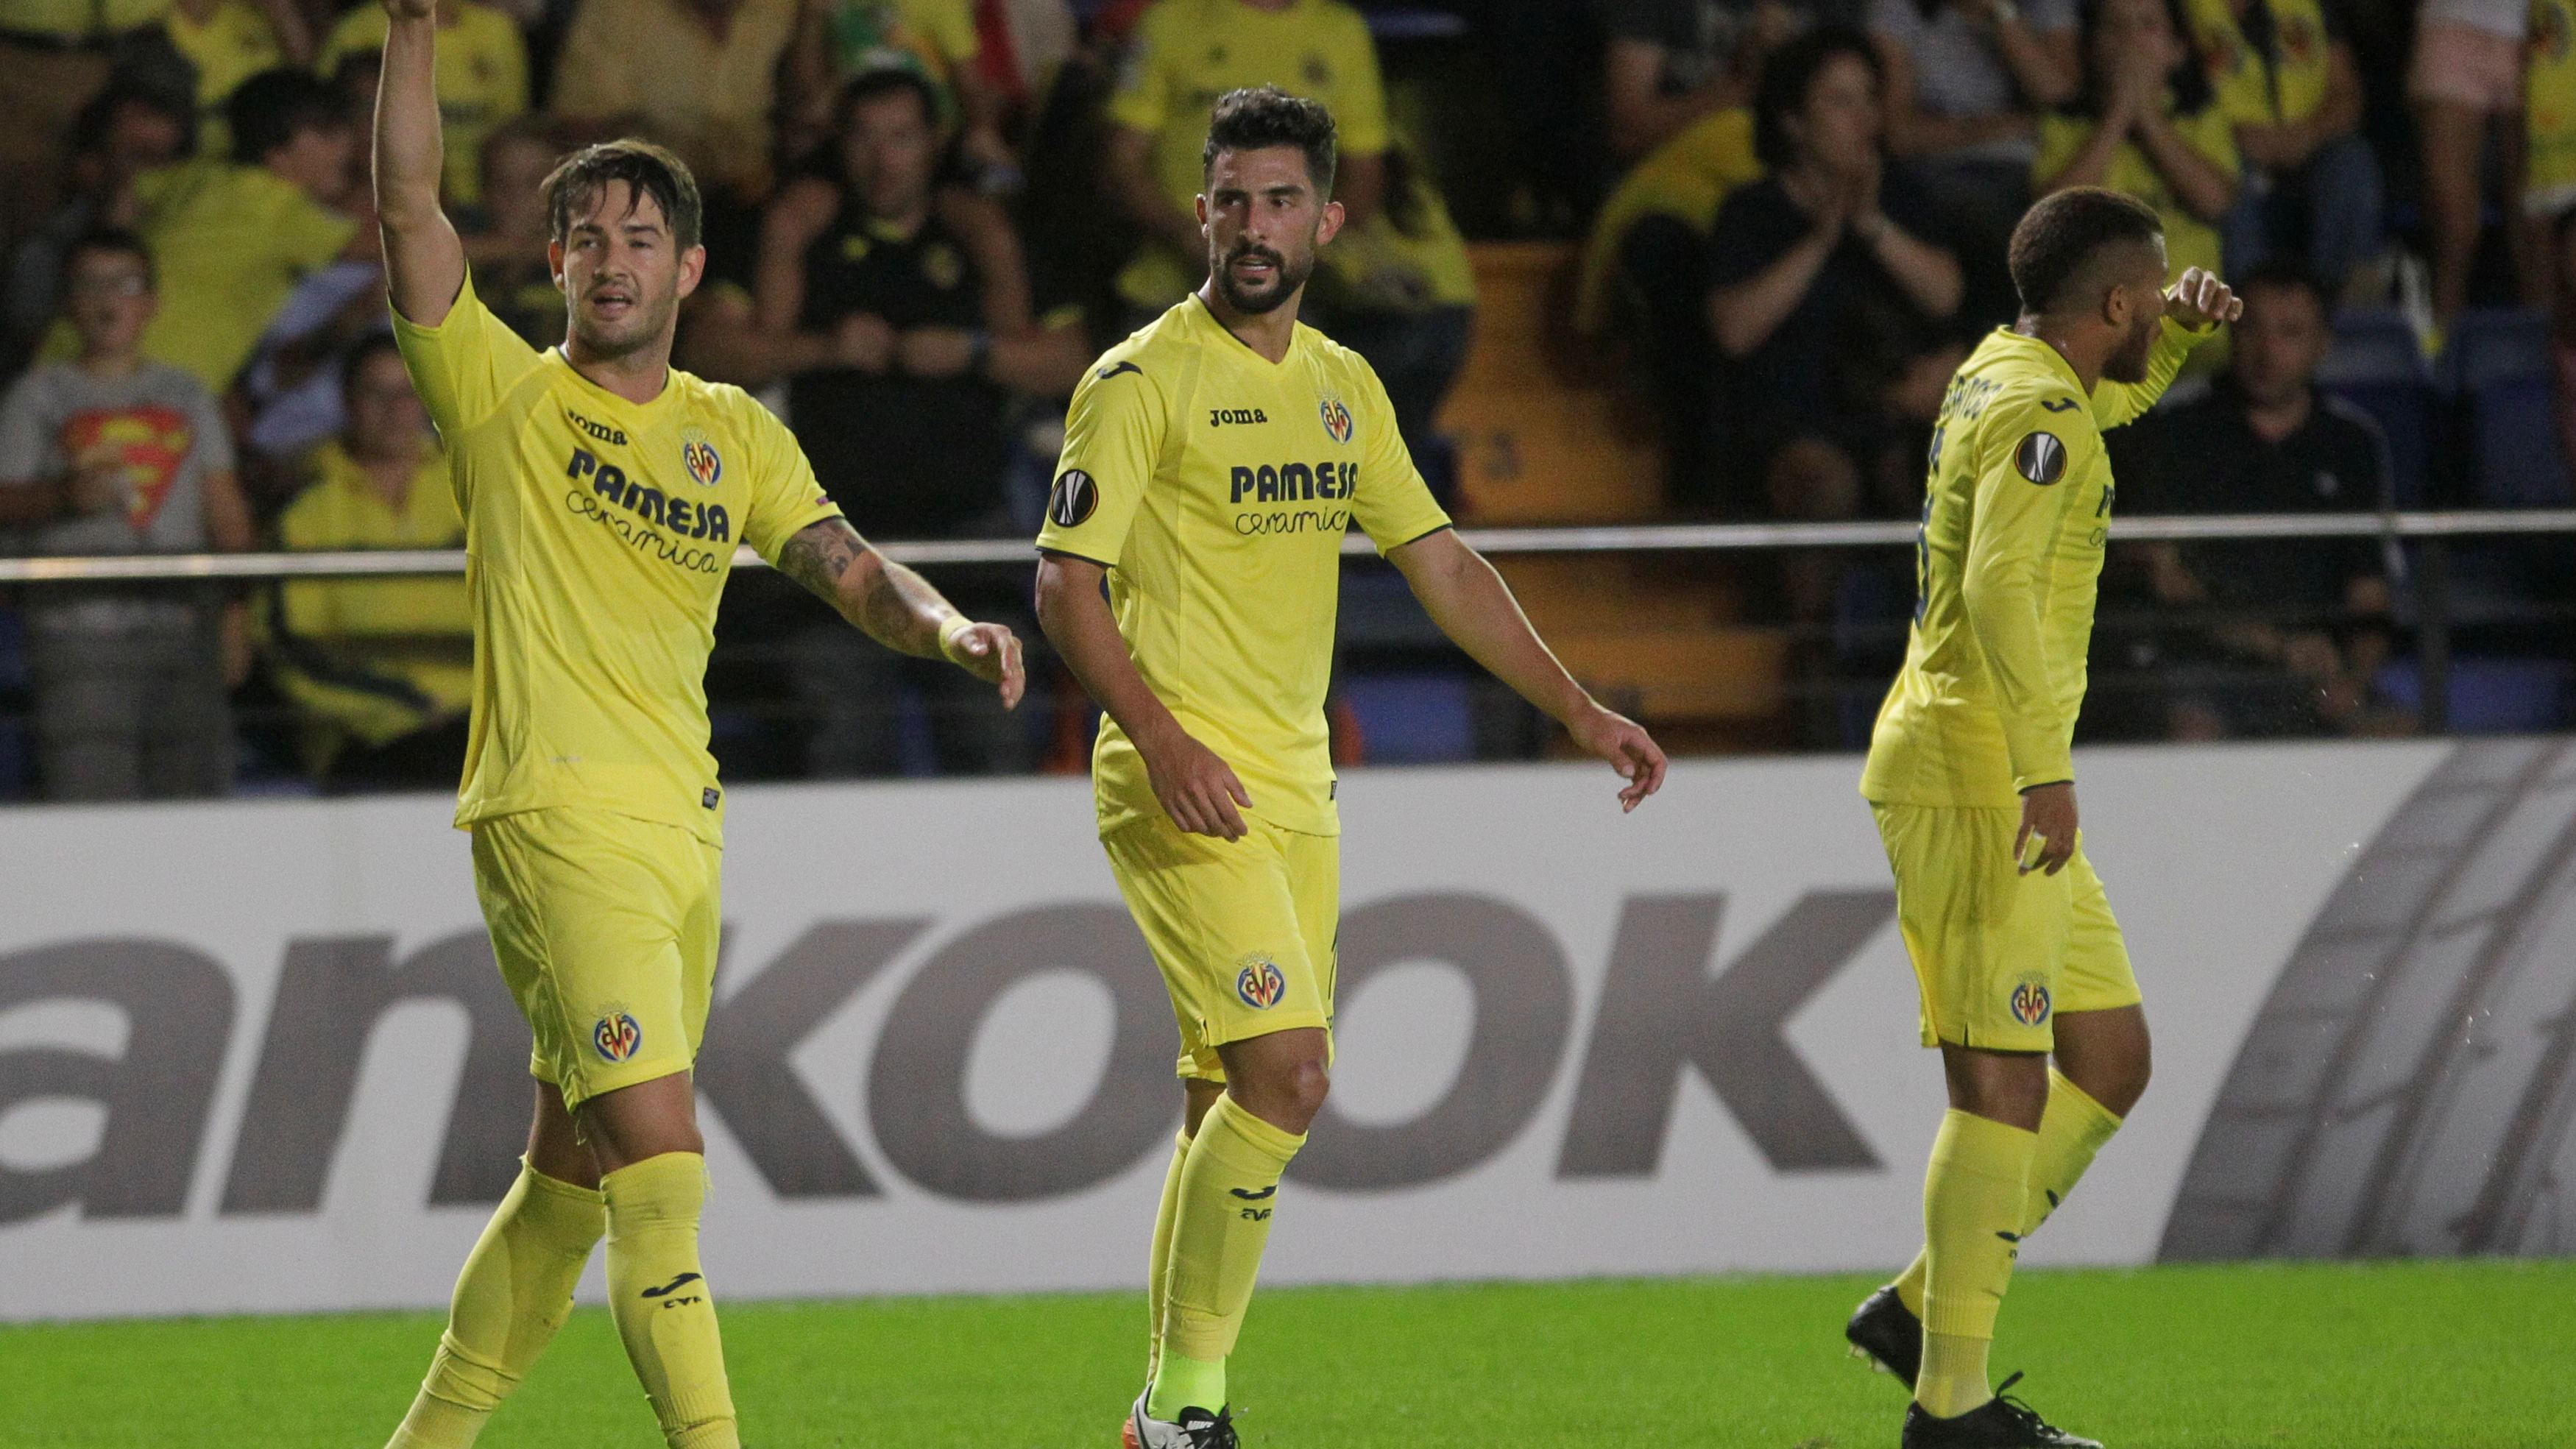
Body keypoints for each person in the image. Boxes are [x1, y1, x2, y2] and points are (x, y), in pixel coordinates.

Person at [369, 1, 1023, 1446]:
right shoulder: (497, 397)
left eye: (640, 236)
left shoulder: (737, 428)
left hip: (683, 834)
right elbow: (407, 200)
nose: (613, 259)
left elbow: (846, 565)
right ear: (554, 266)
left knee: (571, 1190)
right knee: (663, 1169)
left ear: (691, 269)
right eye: (587, 237)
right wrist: (411, 31)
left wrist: (943, 628)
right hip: (554, 816)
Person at [1032, 85, 1668, 1449]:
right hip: (1175, 773)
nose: (1251, 226)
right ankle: (1188, 1408)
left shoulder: (1344, 388)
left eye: (1277, 202)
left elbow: (1440, 560)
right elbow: (1063, 589)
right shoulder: (1140, 380)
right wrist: (1165, 736)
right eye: (1229, 198)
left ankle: (1164, 1412)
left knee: (1225, 1098)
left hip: (1296, 787)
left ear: (1328, 216)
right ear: (1199, 207)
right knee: (1292, 1077)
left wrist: (1575, 703)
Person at [1846, 186, 2238, 1448]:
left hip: (1985, 765)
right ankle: (1948, 1408)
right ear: (2109, 300)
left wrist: (2170, 340)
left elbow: (2094, 414)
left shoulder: (2010, 373)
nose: (2165, 300)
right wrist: (2043, 768)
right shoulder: (2034, 406)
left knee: (2109, 1059)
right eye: (2155, 289)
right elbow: (2000, 583)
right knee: (2000, 1083)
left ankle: (1921, 1308)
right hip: (1980, 774)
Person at [754, 65, 1077, 776]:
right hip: (837, 543)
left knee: (995, 743)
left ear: (935, 142)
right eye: (864, 137)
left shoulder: (978, 231)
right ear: (839, 144)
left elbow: (1070, 361)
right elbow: (721, 353)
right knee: (841, 744)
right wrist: (824, 347)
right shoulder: (806, 226)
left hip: (967, 534)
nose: (882, 157)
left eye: (901, 137)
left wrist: (975, 352)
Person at [0, 228, 255, 801]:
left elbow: (226, 511)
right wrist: (64, 496)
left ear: (152, 304)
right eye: (91, 283)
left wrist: (235, 618)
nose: (108, 298)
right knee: (93, 807)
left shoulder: (187, 394)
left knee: (193, 808)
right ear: (69, 302)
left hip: (183, 629)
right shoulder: (38, 396)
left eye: (126, 283)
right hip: (76, 637)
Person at [2103, 262, 2400, 739]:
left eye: (2290, 334)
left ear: (2322, 345)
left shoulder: (2352, 443)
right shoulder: (2175, 431)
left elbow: (2370, 593)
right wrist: (2278, 647)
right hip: (2205, 665)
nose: (2268, 352)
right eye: (2253, 330)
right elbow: (2166, 578)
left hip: (2319, 673)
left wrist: (2354, 680)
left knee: (2400, 730)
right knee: (2191, 730)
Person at [1707, 27, 1964, 529]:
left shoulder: (1901, 197)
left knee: (1946, 467)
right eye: (1841, 101)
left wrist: (1873, 227)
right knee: (1825, 482)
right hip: (1789, 422)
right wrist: (1820, 241)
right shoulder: (1752, 211)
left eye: (1870, 97)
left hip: (1889, 413)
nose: (1864, 118)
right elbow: (1733, 331)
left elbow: (1945, 296)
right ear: (1794, 122)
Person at [267, 334, 477, 788]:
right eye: (376, 392)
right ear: (346, 401)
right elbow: (291, 648)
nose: (396, 409)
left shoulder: (476, 487)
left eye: (408, 392)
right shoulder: (307, 509)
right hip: (367, 739)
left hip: (491, 728)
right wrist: (404, 704)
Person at [1102, 0, 1392, 322]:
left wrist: (1298, 253)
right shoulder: (1170, 20)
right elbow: (1123, 162)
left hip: (1290, 305)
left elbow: (1365, 172)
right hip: (1169, 297)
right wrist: (1188, 237)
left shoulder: (1341, 32)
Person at [125, 67, 368, 394]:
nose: (345, 145)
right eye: (327, 133)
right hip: (146, 390)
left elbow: (128, 196)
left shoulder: (201, 175)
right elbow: (415, 244)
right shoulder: (275, 208)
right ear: (278, 156)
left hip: (80, 362)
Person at [1868, 0, 2077, 321]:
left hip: (2029, 169)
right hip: (1935, 171)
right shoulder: (1901, 10)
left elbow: (2058, 96)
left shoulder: (2040, 7)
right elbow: (1899, 135)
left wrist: (2000, 13)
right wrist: (2000, 126)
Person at [2188, 0, 2379, 300]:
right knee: (2226, 174)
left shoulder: (2311, 6)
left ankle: (2339, 316)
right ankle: (2252, 318)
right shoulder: (2184, 10)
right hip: (2223, 150)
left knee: (2353, 163)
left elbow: (2347, 94)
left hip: (2308, 153)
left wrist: (2307, 135)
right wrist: (2228, 137)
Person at [320, 0, 528, 205]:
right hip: (387, 201)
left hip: (481, 202)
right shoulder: (356, 32)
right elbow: (331, 125)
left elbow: (510, 127)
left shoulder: (497, 30)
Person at [2410, 0, 2528, 340]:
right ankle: (2440, 348)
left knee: (2537, 213)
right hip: (2450, 22)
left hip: (2545, 33)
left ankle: (2545, 363)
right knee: (2453, 217)